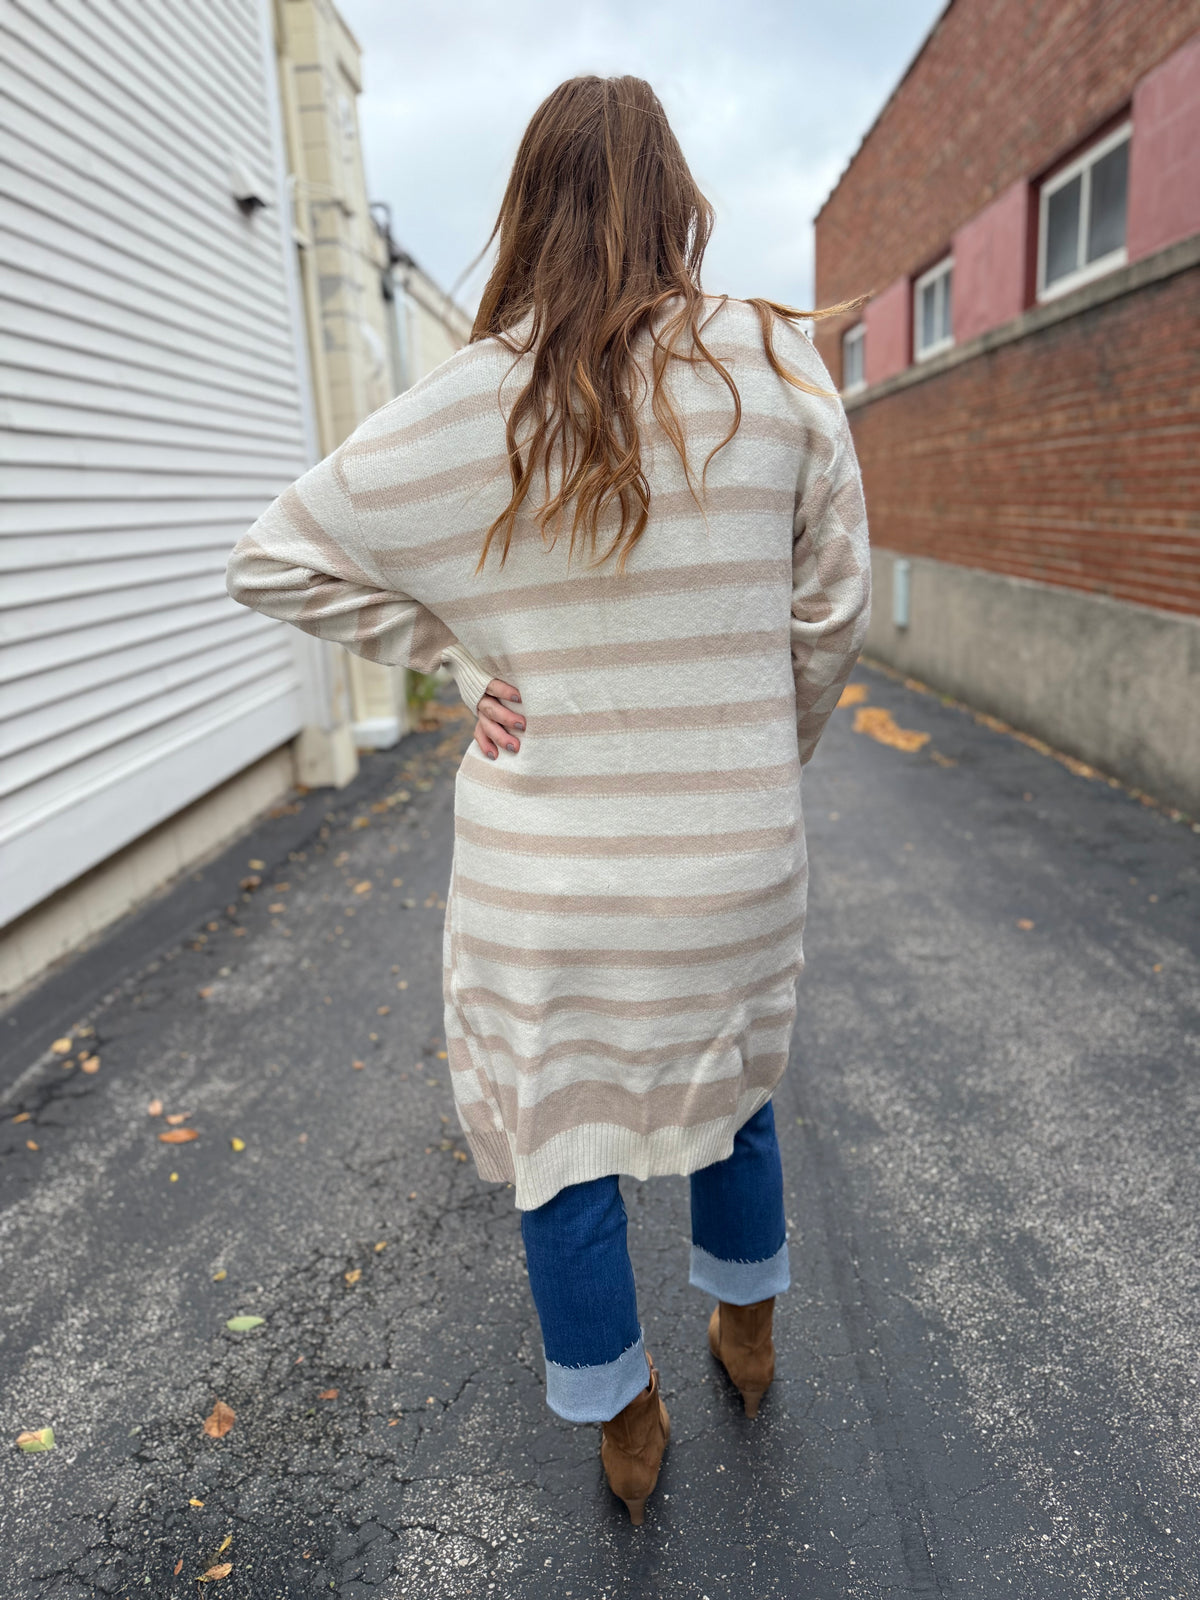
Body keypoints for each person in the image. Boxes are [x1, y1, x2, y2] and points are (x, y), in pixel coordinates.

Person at [226, 74, 870, 1526]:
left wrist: (452, 650)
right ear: (680, 201)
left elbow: (274, 557)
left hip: (549, 875)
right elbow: (831, 615)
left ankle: (624, 1422)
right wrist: (772, 755)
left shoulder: (469, 401)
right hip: (735, 856)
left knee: (563, 1139)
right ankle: (748, 1333)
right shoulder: (778, 369)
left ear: (526, 207)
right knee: (734, 1091)